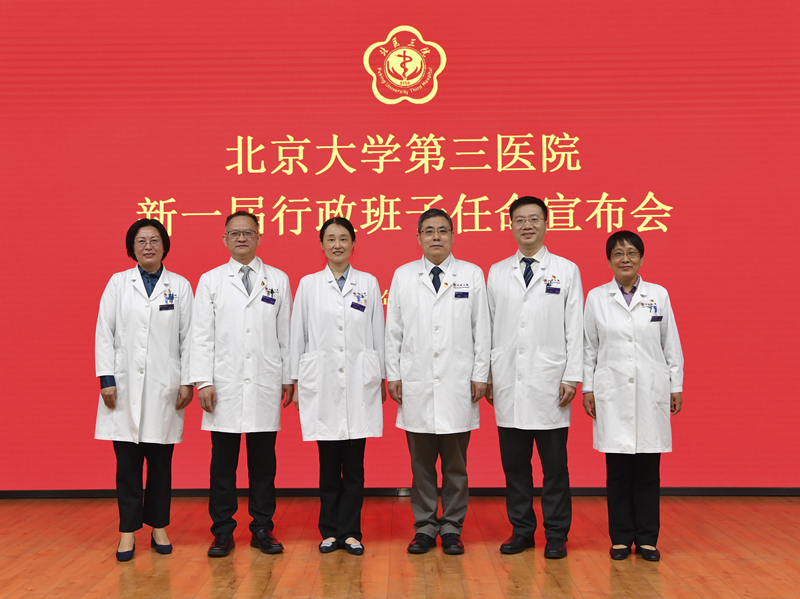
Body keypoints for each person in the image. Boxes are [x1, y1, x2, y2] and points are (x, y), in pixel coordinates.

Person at [385, 208, 491, 555]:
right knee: (421, 466)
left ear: (452, 236)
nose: (435, 237)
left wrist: (480, 374)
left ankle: (452, 527)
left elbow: (481, 329)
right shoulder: (403, 275)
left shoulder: (471, 274)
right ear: (418, 237)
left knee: (456, 466)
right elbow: (393, 330)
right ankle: (426, 527)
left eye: (442, 230)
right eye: (428, 231)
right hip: (415, 382)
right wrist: (394, 373)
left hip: (458, 383)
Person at [189, 211, 294, 557]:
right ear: (225, 240)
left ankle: (262, 527)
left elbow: (285, 334)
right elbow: (201, 335)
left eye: (248, 232)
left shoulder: (278, 279)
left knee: (263, 464)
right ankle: (222, 531)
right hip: (224, 385)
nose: (242, 238)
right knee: (223, 465)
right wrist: (203, 381)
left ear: (259, 237)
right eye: (234, 233)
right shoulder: (210, 281)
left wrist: (287, 377)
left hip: (264, 381)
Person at [486, 196, 583, 559]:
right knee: (515, 466)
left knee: (554, 467)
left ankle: (556, 533)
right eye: (520, 220)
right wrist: (488, 375)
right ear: (511, 225)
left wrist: (571, 376)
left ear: (546, 223)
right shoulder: (497, 272)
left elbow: (574, 327)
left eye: (534, 219)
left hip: (550, 382)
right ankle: (522, 530)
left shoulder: (566, 270)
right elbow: (488, 327)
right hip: (508, 380)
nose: (527, 225)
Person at [95, 218, 194, 562]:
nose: (148, 246)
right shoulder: (118, 283)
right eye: (141, 241)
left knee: (161, 465)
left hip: (165, 388)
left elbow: (189, 338)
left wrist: (187, 381)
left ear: (165, 246)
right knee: (127, 466)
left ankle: (159, 526)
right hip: (122, 387)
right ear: (132, 248)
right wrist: (107, 378)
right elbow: (104, 332)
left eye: (154, 240)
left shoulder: (179, 286)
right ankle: (127, 531)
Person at [582, 230, 684, 562]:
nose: (625, 259)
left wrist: (676, 385)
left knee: (648, 471)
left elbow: (670, 343)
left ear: (641, 258)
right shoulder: (597, 297)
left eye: (631, 253)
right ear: (609, 259)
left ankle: (648, 538)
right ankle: (622, 538)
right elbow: (589, 348)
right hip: (611, 391)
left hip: (650, 390)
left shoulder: (658, 295)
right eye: (618, 253)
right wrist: (588, 388)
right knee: (618, 472)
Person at [290, 217, 386, 556]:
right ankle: (329, 531)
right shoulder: (308, 284)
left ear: (353, 243)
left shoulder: (368, 283)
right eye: (330, 239)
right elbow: (298, 334)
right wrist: (296, 380)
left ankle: (351, 532)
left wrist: (381, 376)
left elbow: (377, 332)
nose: (337, 244)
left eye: (343, 238)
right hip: (322, 383)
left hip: (360, 383)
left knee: (355, 467)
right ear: (322, 245)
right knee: (328, 465)